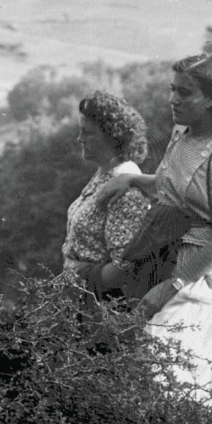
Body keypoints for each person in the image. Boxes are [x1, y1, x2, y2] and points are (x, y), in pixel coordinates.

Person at [99, 53, 212, 396]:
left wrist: (172, 286)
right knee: (136, 366)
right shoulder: (182, 135)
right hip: (166, 253)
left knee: (167, 367)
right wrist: (130, 179)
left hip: (206, 270)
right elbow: (167, 187)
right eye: (173, 89)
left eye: (186, 92)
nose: (174, 99)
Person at [62, 91, 151, 306]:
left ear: (113, 136)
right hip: (81, 299)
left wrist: (81, 277)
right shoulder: (104, 174)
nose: (79, 139)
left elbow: (126, 268)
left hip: (102, 308)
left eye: (88, 133)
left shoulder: (125, 188)